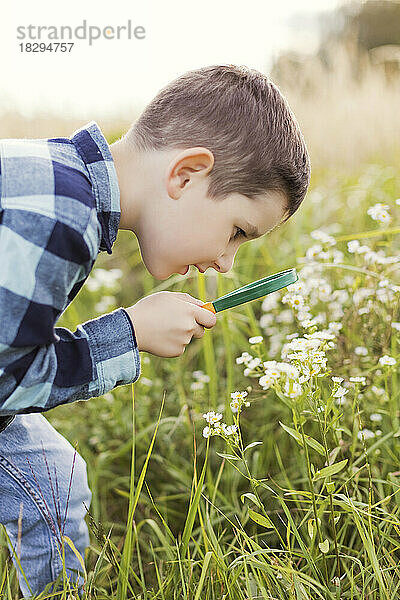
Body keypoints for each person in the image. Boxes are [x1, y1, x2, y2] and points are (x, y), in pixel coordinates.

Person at [0, 63, 311, 597]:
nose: (226, 262)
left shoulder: (53, 176)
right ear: (186, 174)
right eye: (237, 232)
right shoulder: (60, 215)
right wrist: (128, 333)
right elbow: (6, 379)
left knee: (52, 477)